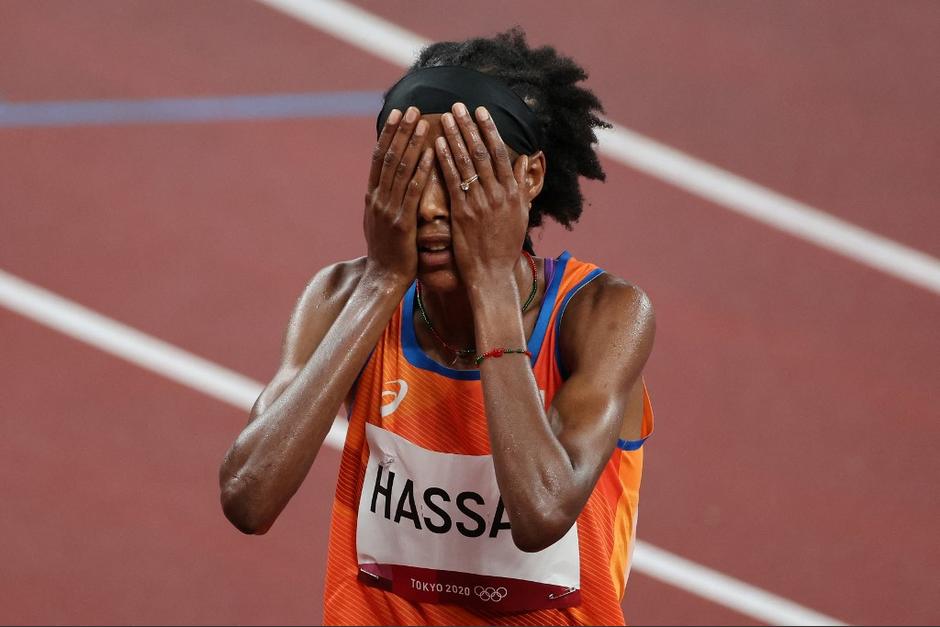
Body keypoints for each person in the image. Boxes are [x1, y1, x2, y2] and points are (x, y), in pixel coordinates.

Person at [219, 28, 655, 626]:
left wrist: (492, 289)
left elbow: (540, 512)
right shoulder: (343, 297)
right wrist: (379, 285)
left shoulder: (602, 315)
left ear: (529, 179)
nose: (427, 207)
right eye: (409, 175)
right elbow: (248, 497)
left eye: (458, 177)